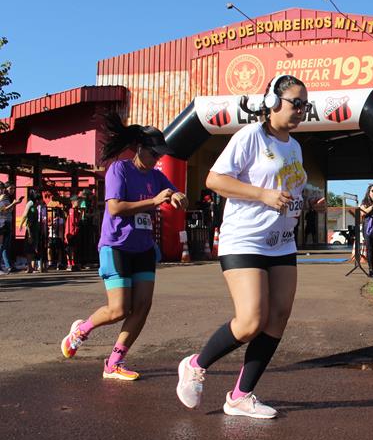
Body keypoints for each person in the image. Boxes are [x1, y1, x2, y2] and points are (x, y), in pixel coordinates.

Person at [176, 74, 309, 419]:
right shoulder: (250, 136)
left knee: (278, 317)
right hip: (244, 239)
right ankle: (195, 364)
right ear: (273, 102)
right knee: (251, 321)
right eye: (297, 103)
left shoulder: (294, 146)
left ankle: (240, 395)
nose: (302, 111)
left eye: (305, 106)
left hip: (281, 242)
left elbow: (292, 186)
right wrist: (262, 194)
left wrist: (310, 197)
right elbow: (215, 180)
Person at [59, 111, 187, 381]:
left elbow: (172, 191)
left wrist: (178, 197)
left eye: (160, 155)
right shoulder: (120, 169)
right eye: (154, 154)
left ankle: (114, 362)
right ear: (140, 148)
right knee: (119, 310)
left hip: (142, 248)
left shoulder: (155, 175)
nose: (157, 159)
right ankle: (82, 330)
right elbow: (115, 208)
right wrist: (154, 202)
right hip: (116, 246)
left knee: (142, 306)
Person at [0, 183, 23, 273]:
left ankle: (8, 266)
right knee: (2, 246)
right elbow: (3, 210)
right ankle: (7, 266)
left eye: (14, 188)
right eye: (11, 188)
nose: (13, 190)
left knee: (5, 246)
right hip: (3, 223)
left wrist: (15, 204)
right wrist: (14, 203)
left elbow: (8, 210)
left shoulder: (6, 198)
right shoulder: (3, 197)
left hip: (6, 222)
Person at [20, 188, 41, 273]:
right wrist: (29, 234)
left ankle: (31, 267)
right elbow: (28, 222)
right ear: (37, 200)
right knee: (29, 249)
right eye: (40, 200)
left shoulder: (34, 207)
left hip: (34, 231)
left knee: (32, 249)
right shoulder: (32, 208)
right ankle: (29, 267)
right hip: (31, 231)